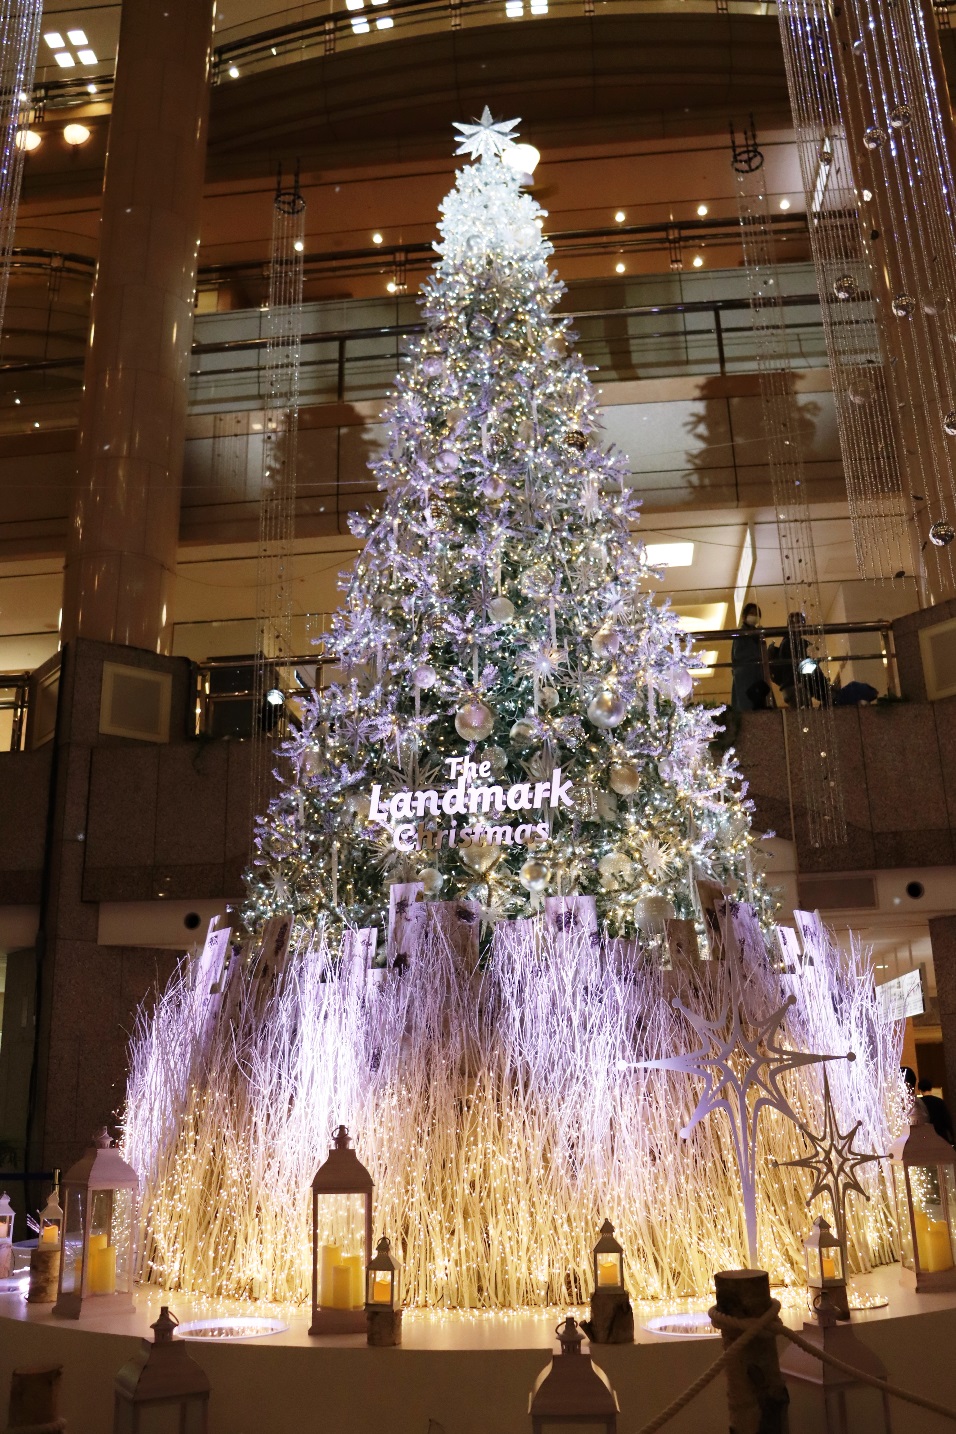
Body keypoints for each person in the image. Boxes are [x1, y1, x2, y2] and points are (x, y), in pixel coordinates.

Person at [769, 611, 831, 708]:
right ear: (790, 625)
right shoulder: (791, 643)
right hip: (795, 685)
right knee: (805, 714)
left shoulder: (790, 642)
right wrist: (813, 664)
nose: (800, 625)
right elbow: (800, 665)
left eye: (802, 622)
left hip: (791, 686)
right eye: (797, 622)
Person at [731, 603, 772, 711]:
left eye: (756, 614)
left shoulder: (758, 634)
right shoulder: (740, 633)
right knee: (747, 705)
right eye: (751, 613)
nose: (754, 616)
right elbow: (738, 654)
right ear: (744, 616)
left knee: (760, 702)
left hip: (757, 673)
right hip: (745, 675)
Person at [919, 1078, 954, 1144]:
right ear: (931, 1088)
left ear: (920, 1090)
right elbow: (947, 1120)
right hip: (941, 1136)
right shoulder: (940, 1101)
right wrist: (952, 1136)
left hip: (926, 1137)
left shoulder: (919, 1103)